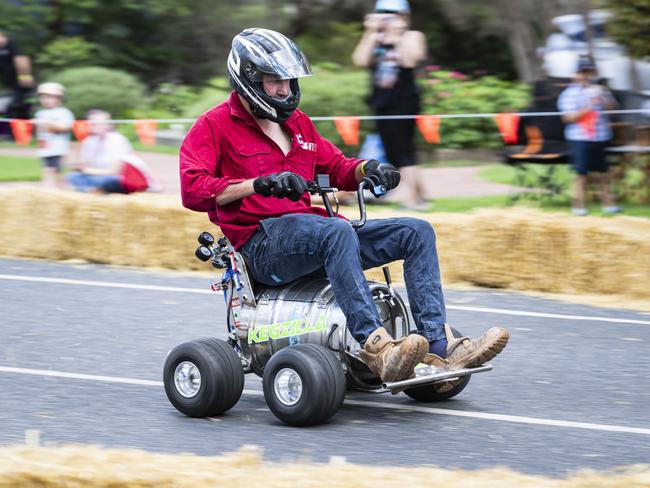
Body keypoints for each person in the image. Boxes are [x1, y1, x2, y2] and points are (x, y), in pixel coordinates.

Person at [180, 28, 509, 383]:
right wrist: (256, 184)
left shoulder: (298, 124)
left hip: (316, 235)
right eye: (275, 81)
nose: (285, 90)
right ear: (248, 80)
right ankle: (377, 347)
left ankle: (440, 349)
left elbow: (336, 167)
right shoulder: (214, 125)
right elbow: (193, 189)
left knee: (416, 231)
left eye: (289, 81)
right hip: (262, 248)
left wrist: (369, 169)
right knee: (336, 230)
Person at [352, 0, 427, 209]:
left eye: (391, 14)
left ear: (403, 16)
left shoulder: (412, 36)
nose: (386, 18)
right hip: (381, 102)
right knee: (394, 152)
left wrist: (397, 35)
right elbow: (359, 60)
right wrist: (370, 33)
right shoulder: (376, 37)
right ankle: (421, 195)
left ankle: (413, 199)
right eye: (382, 14)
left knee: (404, 151)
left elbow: (410, 60)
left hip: (404, 101)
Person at [558, 57, 620, 216]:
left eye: (589, 71)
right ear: (576, 74)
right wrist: (589, 106)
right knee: (581, 174)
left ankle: (609, 206)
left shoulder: (600, 89)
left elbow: (613, 108)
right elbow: (568, 118)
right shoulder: (569, 93)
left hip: (600, 136)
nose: (586, 75)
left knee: (603, 173)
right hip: (579, 138)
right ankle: (578, 208)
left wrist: (603, 99)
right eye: (582, 72)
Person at [66, 109, 134, 192]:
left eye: (100, 122)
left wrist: (88, 171)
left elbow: (115, 171)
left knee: (112, 182)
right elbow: (84, 162)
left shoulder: (117, 140)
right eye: (92, 122)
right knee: (72, 176)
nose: (96, 125)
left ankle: (90, 191)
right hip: (95, 176)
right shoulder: (89, 141)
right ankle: (90, 191)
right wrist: (80, 167)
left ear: (108, 124)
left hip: (111, 177)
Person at [33, 82, 74, 188]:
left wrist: (48, 124)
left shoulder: (63, 112)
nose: (46, 100)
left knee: (56, 171)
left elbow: (67, 127)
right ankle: (48, 191)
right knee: (46, 170)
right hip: (45, 148)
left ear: (59, 99)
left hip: (58, 148)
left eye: (50, 97)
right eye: (43, 97)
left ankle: (61, 191)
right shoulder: (40, 113)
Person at [0, 29, 34, 140]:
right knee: (18, 108)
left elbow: (22, 60)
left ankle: (14, 135)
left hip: (20, 84)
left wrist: (25, 77)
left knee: (16, 107)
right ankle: (19, 134)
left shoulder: (11, 45)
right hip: (11, 85)